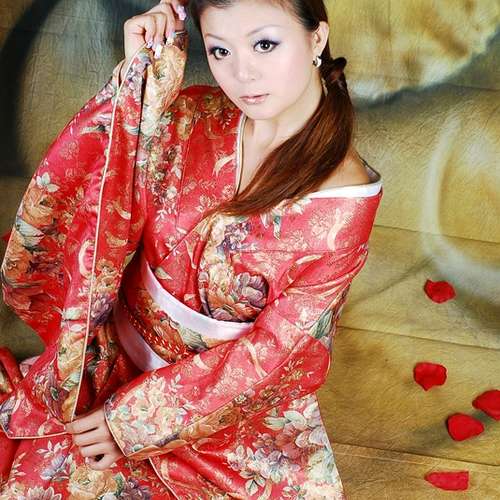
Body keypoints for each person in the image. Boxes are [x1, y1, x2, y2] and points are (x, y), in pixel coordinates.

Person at [0, 0, 383, 497]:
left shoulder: (343, 204)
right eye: (220, 50)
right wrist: (142, 83)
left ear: (316, 38)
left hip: (217, 411)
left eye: (265, 44)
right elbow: (104, 197)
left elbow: (276, 355)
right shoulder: (198, 113)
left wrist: (133, 423)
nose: (242, 73)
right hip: (108, 357)